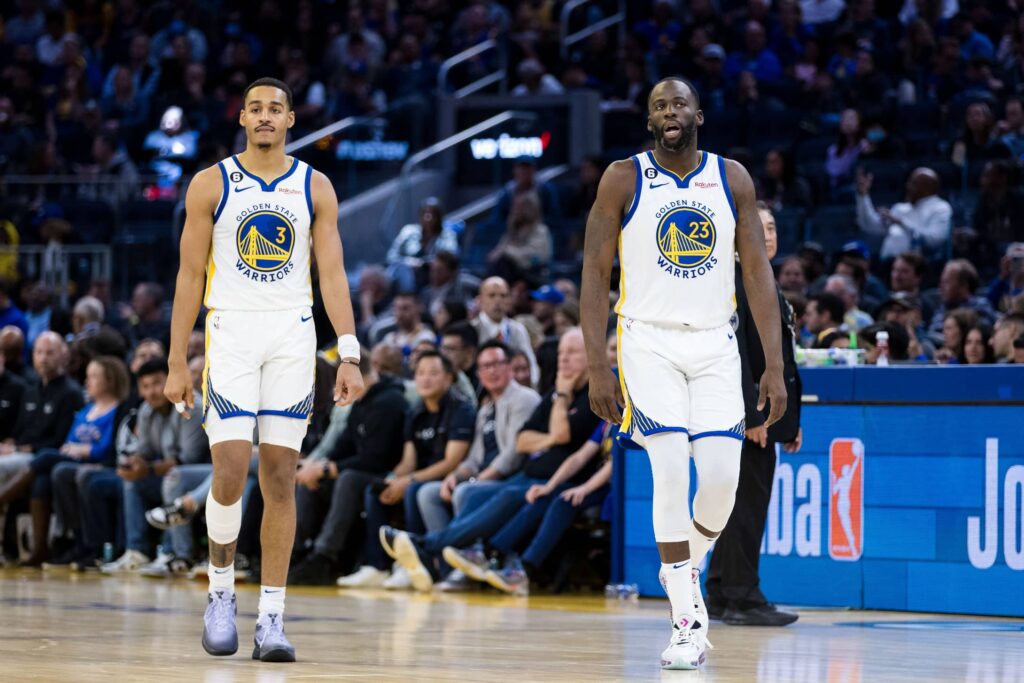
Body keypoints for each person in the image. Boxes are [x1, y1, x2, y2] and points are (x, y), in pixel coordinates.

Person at [578, 78, 786, 670]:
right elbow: (594, 273)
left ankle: (683, 569)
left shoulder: (732, 178)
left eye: (679, 104)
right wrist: (598, 362)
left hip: (718, 344)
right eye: (659, 106)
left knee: (721, 480)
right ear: (649, 120)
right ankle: (687, 620)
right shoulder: (623, 177)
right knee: (669, 465)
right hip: (647, 340)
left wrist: (772, 365)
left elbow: (759, 278)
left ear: (698, 113)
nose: (670, 113)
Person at [163, 77, 364, 663]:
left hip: (293, 337)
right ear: (243, 119)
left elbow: (332, 274)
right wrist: (177, 356)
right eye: (256, 108)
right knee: (228, 470)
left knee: (280, 477)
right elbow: (188, 276)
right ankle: (220, 594)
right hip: (231, 331)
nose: (266, 116)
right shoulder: (211, 183)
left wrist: (348, 351)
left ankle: (271, 617)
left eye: (276, 108)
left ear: (292, 119)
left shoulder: (315, 185)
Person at [706, 202, 801, 627]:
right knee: (745, 507)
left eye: (772, 226)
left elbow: (783, 359)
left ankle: (723, 592)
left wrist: (790, 421)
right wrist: (750, 416)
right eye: (757, 226)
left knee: (733, 507)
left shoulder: (763, 284)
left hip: (763, 416)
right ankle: (742, 597)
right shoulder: (739, 283)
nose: (767, 233)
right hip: (746, 418)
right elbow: (736, 354)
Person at [855, 166, 952, 262]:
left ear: (927, 189)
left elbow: (934, 240)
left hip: (919, 266)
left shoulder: (941, 208)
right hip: (888, 264)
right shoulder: (901, 208)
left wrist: (901, 222)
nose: (907, 186)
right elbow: (868, 225)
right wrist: (863, 196)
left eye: (913, 183)